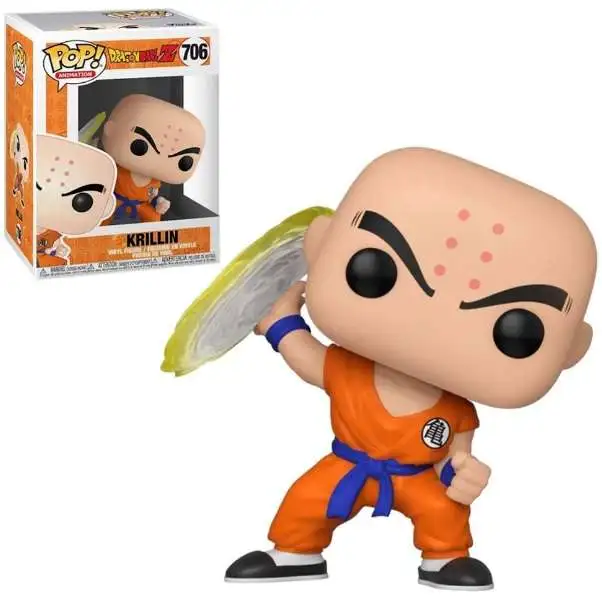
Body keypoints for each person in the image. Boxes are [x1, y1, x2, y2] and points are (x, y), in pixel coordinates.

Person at [224, 148, 597, 590]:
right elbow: (308, 359)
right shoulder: (351, 370)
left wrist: (461, 473)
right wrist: (280, 322)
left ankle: (446, 559)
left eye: (517, 332)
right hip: (347, 467)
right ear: (321, 246)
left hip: (417, 477)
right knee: (308, 498)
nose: (438, 322)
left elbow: (454, 455)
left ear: (570, 350)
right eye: (374, 271)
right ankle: (294, 551)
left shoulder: (455, 409)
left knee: (443, 510)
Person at [101, 94, 205, 225]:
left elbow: (152, 196)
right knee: (103, 212)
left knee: (154, 216)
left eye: (184, 162)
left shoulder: (155, 180)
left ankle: (154, 234)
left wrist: (159, 202)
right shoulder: (117, 170)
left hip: (142, 204)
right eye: (140, 146)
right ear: (111, 130)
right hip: (116, 200)